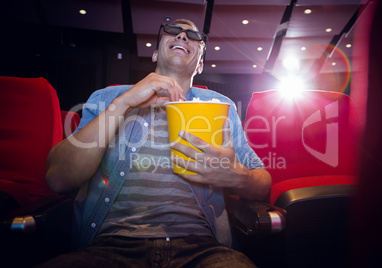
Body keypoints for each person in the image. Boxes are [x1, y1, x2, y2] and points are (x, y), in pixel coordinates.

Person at [41, 18, 271, 267]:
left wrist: (239, 177)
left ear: (201, 64)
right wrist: (124, 103)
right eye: (173, 31)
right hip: (109, 246)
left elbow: (263, 184)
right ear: (154, 54)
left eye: (194, 36)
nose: (182, 36)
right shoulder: (107, 98)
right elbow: (58, 178)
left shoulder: (220, 106)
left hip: (202, 248)